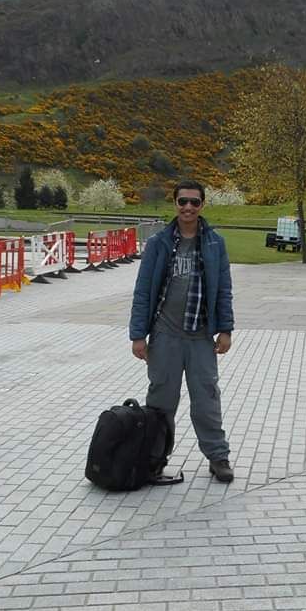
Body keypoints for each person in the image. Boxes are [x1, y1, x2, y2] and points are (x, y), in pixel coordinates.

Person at [129, 179, 236, 482]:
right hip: (165, 336)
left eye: (195, 202)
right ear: (174, 204)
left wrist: (225, 330)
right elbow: (142, 291)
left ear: (202, 205)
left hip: (201, 338)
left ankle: (218, 457)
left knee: (206, 399)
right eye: (182, 202)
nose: (188, 207)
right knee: (161, 402)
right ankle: (153, 462)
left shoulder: (215, 243)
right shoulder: (158, 243)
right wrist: (138, 335)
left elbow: (224, 291)